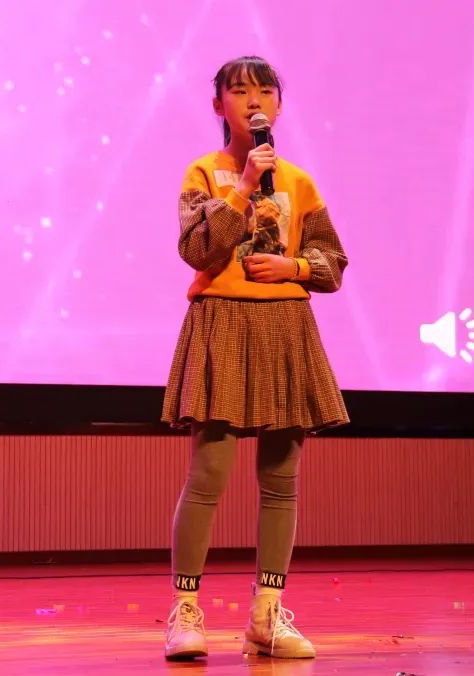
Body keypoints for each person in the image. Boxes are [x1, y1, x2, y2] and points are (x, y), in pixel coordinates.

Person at [161, 55, 349, 660]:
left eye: (264, 91)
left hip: (286, 327)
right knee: (209, 475)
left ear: (279, 106)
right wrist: (242, 187)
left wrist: (293, 267)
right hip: (222, 323)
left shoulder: (299, 182)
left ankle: (267, 615)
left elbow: (332, 264)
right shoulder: (203, 173)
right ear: (219, 105)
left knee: (281, 481)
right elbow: (198, 250)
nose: (253, 101)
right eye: (239, 91)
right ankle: (186, 611)